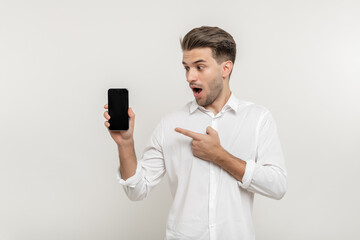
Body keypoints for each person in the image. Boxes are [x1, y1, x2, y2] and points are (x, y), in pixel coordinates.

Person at [103, 26, 287, 240]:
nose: (190, 77)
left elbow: (277, 186)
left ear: (225, 68)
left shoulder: (257, 119)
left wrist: (219, 156)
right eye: (186, 68)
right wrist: (125, 144)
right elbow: (136, 191)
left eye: (200, 67)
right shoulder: (170, 124)